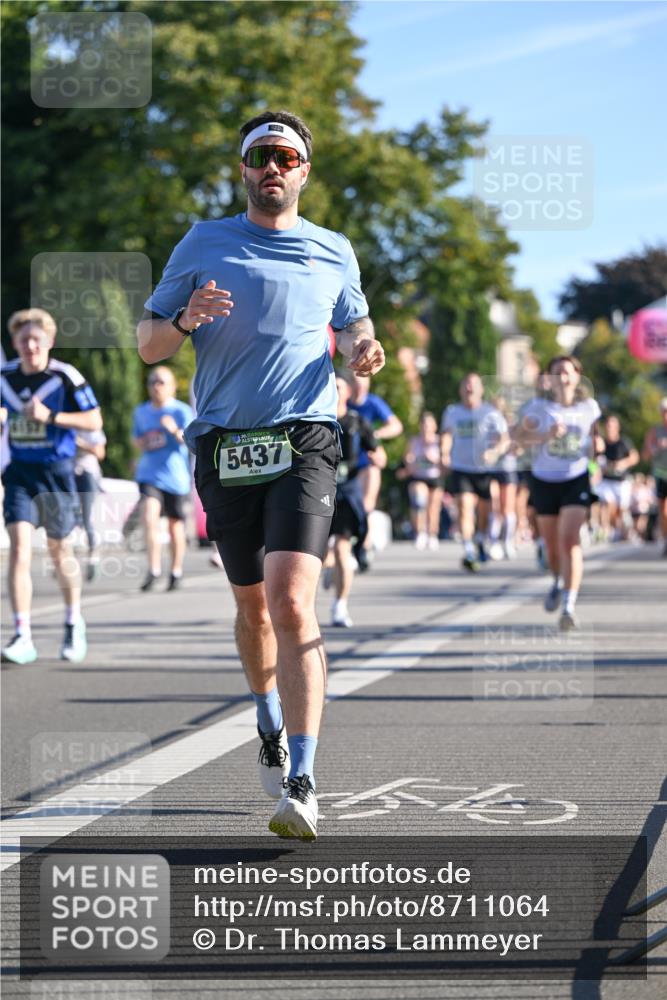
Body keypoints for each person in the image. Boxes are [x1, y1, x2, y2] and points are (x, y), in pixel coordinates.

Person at [136, 109, 384, 839]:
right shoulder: (204, 241)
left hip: (306, 435)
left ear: (304, 170)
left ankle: (302, 780)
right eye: (259, 157)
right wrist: (183, 320)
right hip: (222, 442)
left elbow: (357, 326)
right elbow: (149, 345)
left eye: (285, 156)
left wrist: (363, 350)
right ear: (243, 170)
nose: (272, 167)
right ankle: (266, 709)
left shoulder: (333, 250)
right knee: (251, 608)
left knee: (291, 600)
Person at [1, 308, 102, 664]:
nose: (30, 345)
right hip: (19, 473)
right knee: (19, 550)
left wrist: (51, 417)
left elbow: (94, 420)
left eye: (36, 339)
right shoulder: (4, 376)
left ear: (49, 341)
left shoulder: (64, 376)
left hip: (56, 473)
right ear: (14, 342)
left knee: (60, 552)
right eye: (23, 339)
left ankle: (74, 621)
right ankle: (22, 635)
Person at [512, 355, 600, 631]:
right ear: (548, 379)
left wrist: (597, 454)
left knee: (569, 540)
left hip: (576, 478)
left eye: (568, 371)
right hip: (544, 481)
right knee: (552, 549)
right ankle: (558, 580)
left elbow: (596, 441)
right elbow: (517, 438)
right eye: (557, 372)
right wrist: (545, 436)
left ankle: (568, 605)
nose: (562, 376)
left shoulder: (589, 407)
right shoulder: (538, 407)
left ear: (577, 376)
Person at [329, 371, 385, 627]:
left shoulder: (357, 421)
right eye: (332, 387)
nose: (336, 391)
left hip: (346, 491)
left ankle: (340, 605)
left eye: (340, 387)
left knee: (342, 549)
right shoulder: (313, 421)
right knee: (312, 554)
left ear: (348, 392)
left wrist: (378, 459)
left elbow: (378, 452)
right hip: (315, 491)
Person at [440, 373, 509, 572]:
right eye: (466, 385)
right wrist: (444, 454)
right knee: (464, 507)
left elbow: (504, 439)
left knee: (485, 512)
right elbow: (446, 435)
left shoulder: (491, 413)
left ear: (480, 390)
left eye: (473, 385)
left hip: (485, 469)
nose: (469, 389)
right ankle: (469, 549)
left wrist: (494, 451)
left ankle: (480, 539)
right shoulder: (453, 412)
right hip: (461, 468)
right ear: (461, 389)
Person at [132, 366, 193, 592]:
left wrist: (173, 430)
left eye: (161, 382)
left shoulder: (182, 411)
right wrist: (145, 442)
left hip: (176, 477)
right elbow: (137, 439)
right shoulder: (141, 412)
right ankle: (153, 569)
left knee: (175, 526)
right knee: (149, 516)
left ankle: (176, 570)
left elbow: (191, 441)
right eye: (152, 382)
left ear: (172, 387)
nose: (156, 387)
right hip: (149, 474)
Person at [348, 373, 403, 569]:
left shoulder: (373, 403)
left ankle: (364, 546)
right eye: (356, 384)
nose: (359, 388)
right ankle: (349, 544)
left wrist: (374, 434)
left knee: (366, 505)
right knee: (350, 506)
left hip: (369, 460)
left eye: (363, 385)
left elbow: (396, 426)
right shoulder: (343, 403)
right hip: (347, 463)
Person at [399, 411, 443, 550]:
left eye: (429, 425)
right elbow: (407, 458)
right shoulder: (414, 441)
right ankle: (419, 532)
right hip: (418, 477)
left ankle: (432, 534)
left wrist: (435, 459)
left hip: (435, 477)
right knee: (419, 501)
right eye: (424, 425)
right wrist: (410, 461)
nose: (426, 428)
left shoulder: (439, 441)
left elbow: (446, 462)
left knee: (433, 507)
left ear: (434, 426)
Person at [594, 415, 639, 541]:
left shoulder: (624, 442)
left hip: (621, 481)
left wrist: (623, 463)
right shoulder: (601, 443)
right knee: (607, 503)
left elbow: (635, 457)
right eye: (608, 425)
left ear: (617, 427)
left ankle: (622, 529)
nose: (609, 428)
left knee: (621, 510)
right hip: (606, 481)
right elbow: (595, 461)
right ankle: (606, 530)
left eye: (612, 425)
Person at [74, 427, 106, 581]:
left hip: (88, 473)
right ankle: (62, 558)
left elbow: (100, 453)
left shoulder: (91, 427)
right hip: (69, 472)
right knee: (65, 516)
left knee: (87, 518)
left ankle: (93, 554)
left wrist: (81, 444)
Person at [642, 397, 667, 556]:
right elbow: (644, 455)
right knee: (663, 511)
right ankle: (666, 539)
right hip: (660, 474)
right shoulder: (655, 431)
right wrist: (655, 448)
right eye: (664, 412)